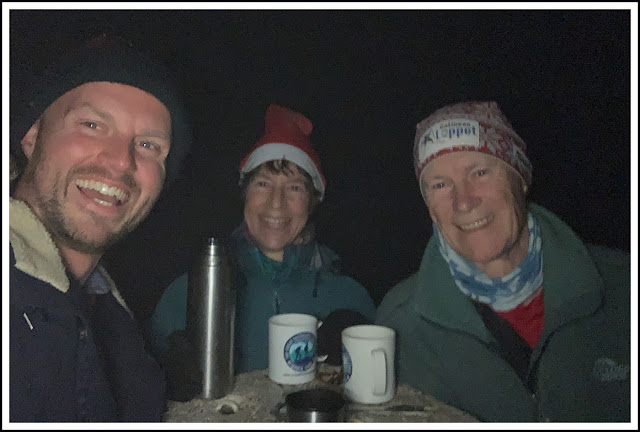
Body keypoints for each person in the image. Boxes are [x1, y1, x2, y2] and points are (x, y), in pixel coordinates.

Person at [376, 101, 630, 422]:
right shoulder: (401, 326)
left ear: (520, 179)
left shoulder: (622, 288)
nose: (464, 201)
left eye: (480, 173)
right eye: (440, 185)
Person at [9, 39, 192, 422]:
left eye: (148, 145)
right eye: (92, 125)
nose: (122, 161)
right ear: (31, 136)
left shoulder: (111, 315)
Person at [147, 104, 376, 401]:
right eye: (263, 184)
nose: (276, 203)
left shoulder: (351, 298)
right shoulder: (190, 295)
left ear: (312, 201)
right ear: (244, 195)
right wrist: (162, 375)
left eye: (294, 188)